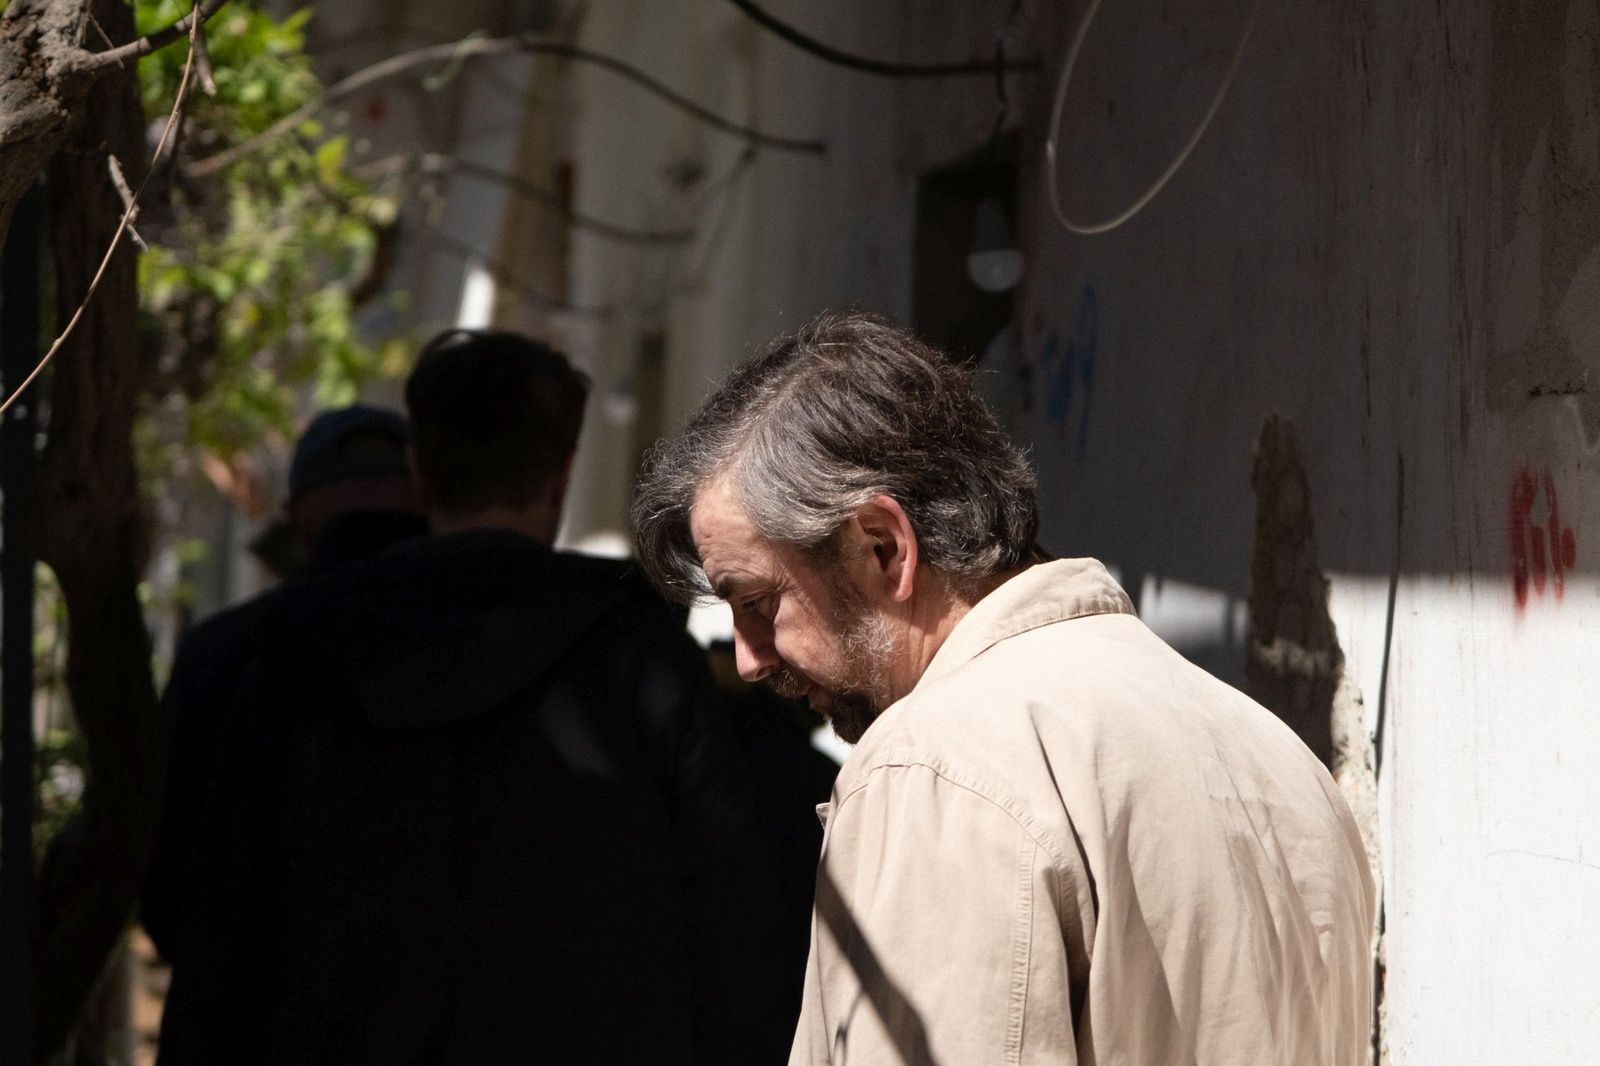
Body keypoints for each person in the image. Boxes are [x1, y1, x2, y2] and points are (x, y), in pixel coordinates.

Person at [632, 311, 1376, 1064]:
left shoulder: (934, 767)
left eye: (759, 603)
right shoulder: (1276, 756)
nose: (750, 659)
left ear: (882, 547)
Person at [158, 329, 788, 1065]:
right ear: (561, 476)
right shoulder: (638, 654)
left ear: (419, 474)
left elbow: (215, 940)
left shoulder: (293, 659)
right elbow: (730, 922)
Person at [143, 404, 427, 961]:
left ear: (299, 515)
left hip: (258, 994)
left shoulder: (226, 650)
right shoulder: (493, 642)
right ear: (424, 498)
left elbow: (168, 884)